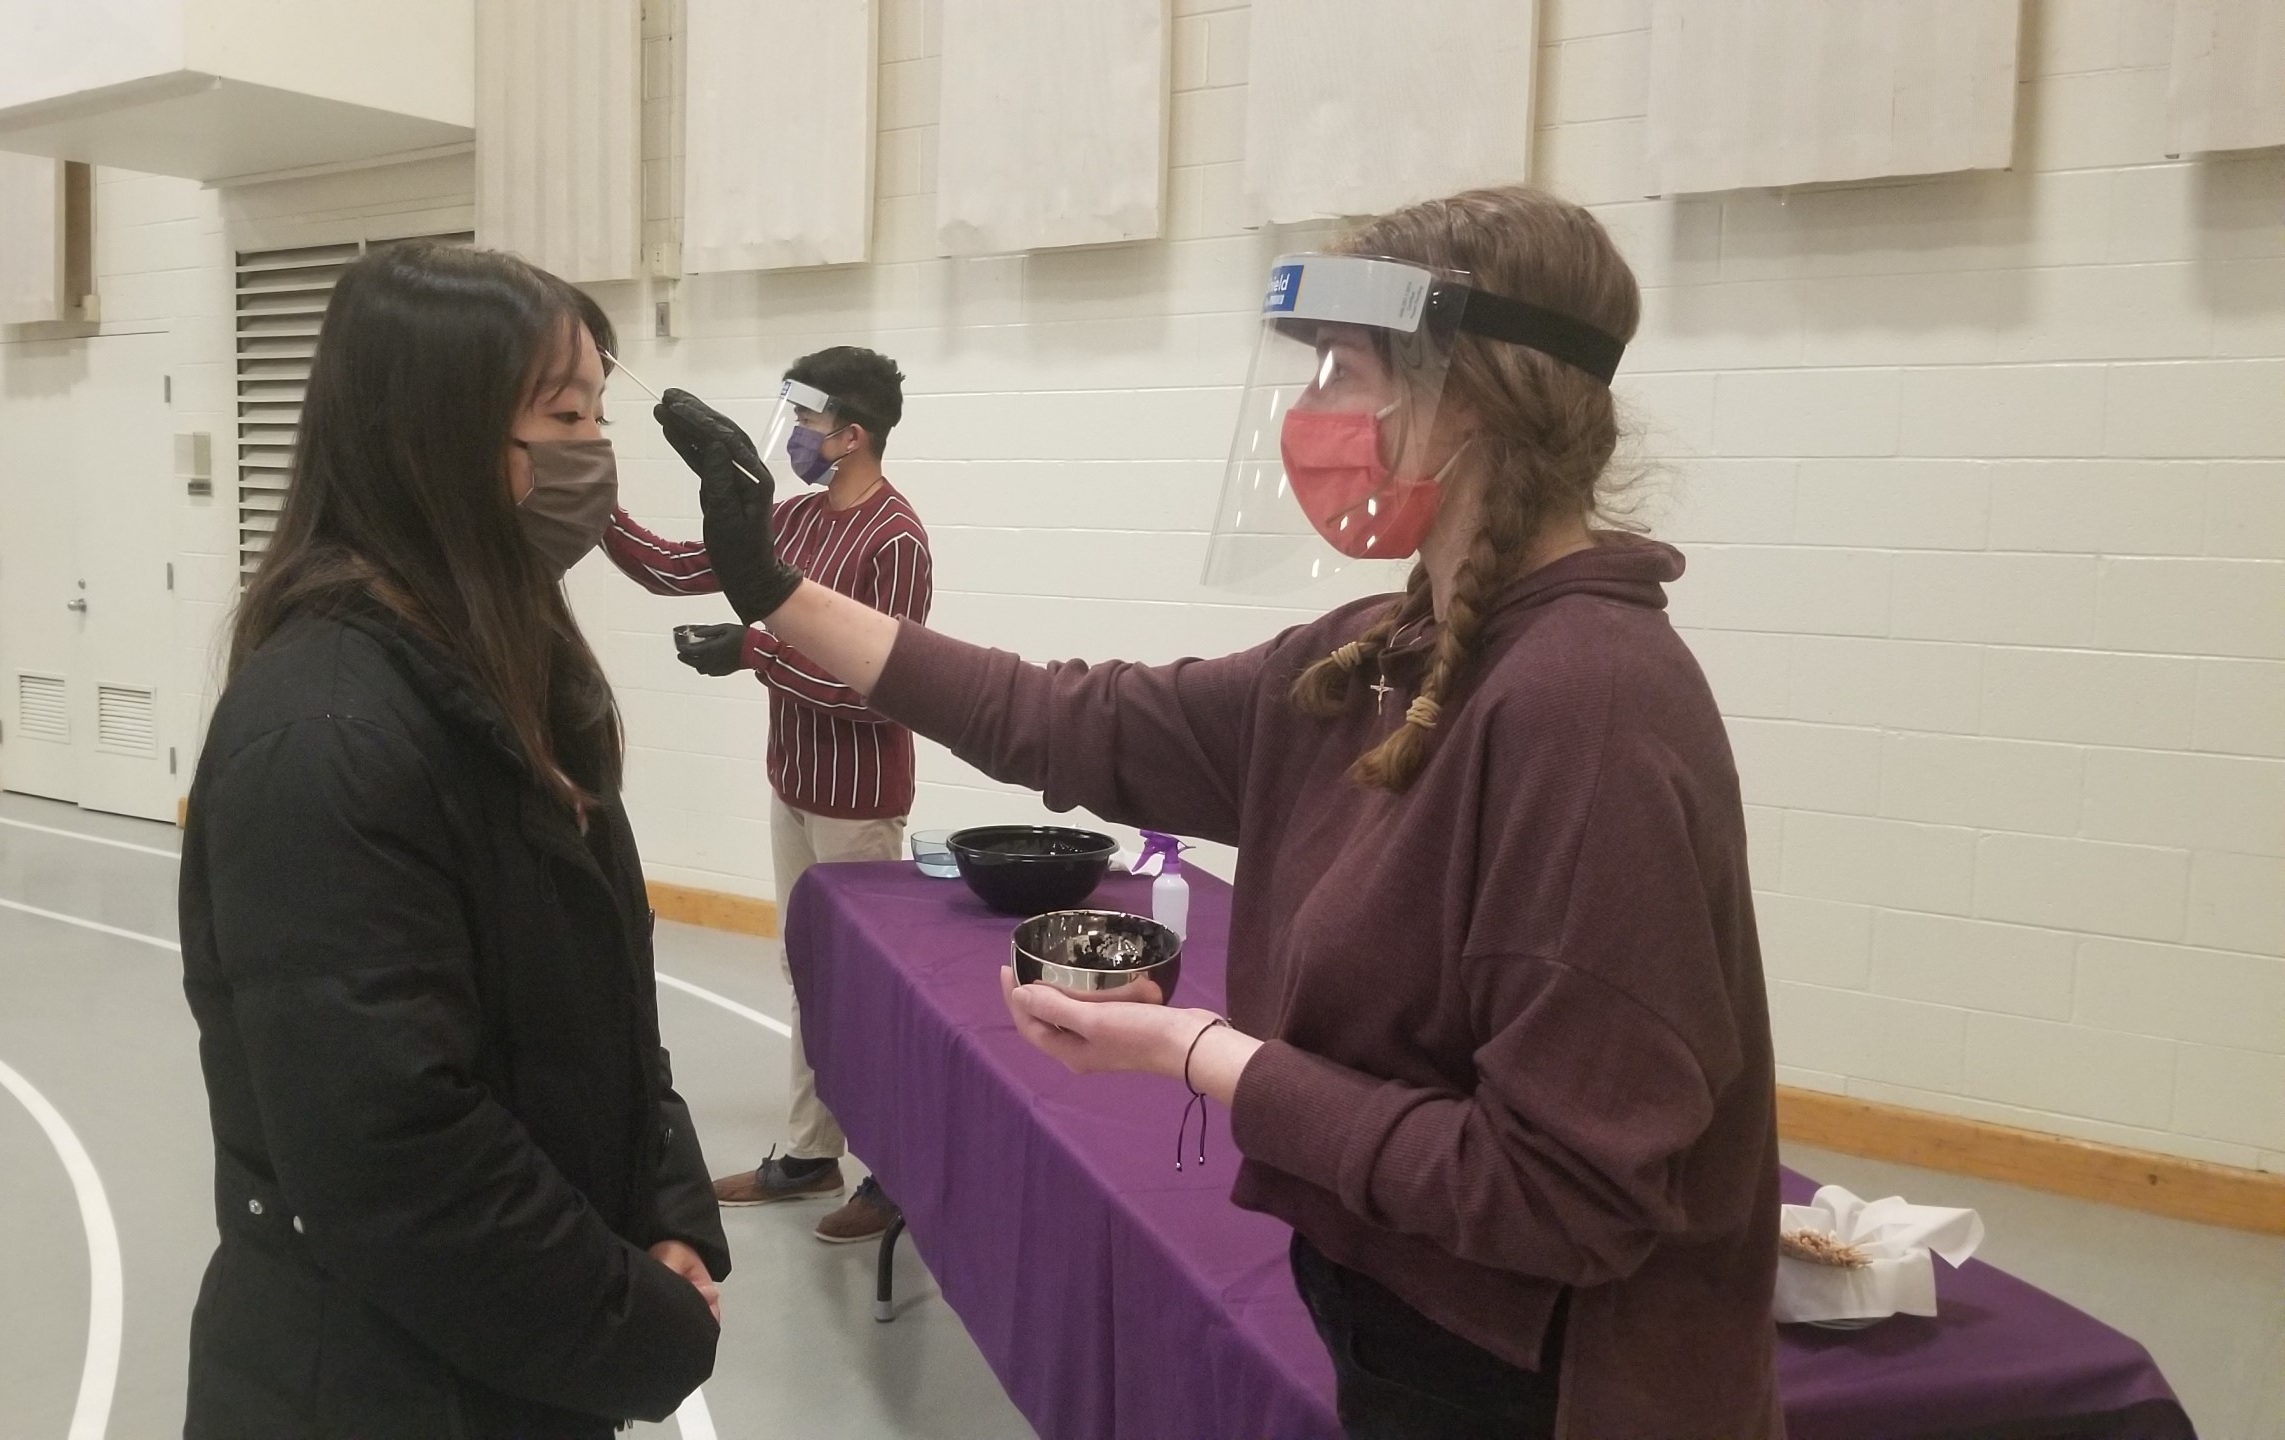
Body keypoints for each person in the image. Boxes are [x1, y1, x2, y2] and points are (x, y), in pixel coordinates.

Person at [653, 189, 1784, 1437]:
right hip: (1404, 1317)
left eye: (1345, 371)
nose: (1311, 418)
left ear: (1474, 394)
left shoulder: (1589, 705)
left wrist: (1202, 1055)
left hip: (1537, 1381)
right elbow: (1074, 719)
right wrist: (775, 588)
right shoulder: (1386, 648)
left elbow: (1558, 1196)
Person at [178, 242, 728, 1440]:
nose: (592, 451)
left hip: (506, 1365)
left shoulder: (514, 673)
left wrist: (666, 1208)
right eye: (561, 414)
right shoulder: (324, 732)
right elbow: (397, 1148)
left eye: (597, 409)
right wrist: (637, 1321)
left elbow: (596, 1015)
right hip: (381, 1387)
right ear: (437, 434)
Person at [602, 346, 932, 1245]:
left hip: (856, 802)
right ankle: (812, 1151)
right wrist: (596, 506)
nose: (794, 437)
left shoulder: (895, 538)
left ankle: (896, 1177)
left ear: (853, 434)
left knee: (861, 988)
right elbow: (679, 565)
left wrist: (753, 652)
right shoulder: (794, 518)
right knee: (805, 971)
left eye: (807, 422)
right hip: (795, 783)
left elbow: (876, 687)